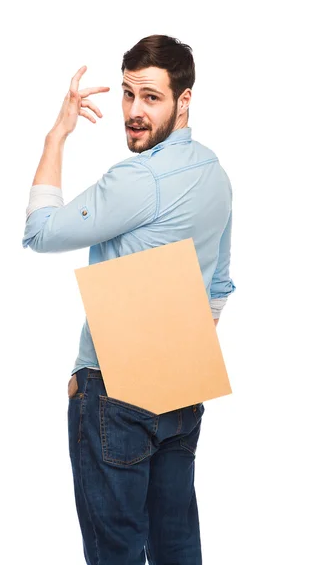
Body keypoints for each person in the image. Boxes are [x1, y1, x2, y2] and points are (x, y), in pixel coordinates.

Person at [22, 34, 236, 564]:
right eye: (126, 94)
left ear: (184, 100)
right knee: (178, 547)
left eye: (151, 97)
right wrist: (176, 358)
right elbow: (220, 285)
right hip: (182, 392)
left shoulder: (137, 179)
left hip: (115, 393)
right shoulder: (215, 173)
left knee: (114, 553)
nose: (133, 112)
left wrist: (57, 136)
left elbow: (40, 231)